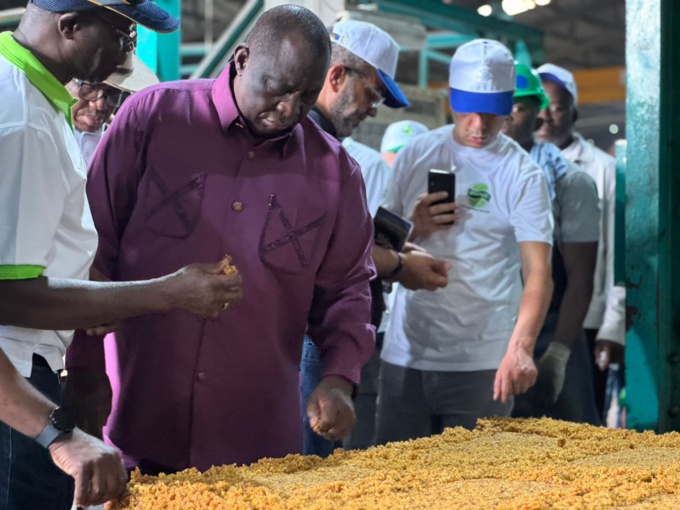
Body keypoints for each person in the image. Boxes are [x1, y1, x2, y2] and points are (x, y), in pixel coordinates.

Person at [65, 4, 376, 475]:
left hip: (256, 448)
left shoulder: (335, 174)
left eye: (307, 96)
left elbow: (348, 291)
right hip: (133, 425)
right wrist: (85, 368)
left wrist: (337, 380)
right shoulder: (154, 118)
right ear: (242, 58)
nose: (289, 108)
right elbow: (92, 247)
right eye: (278, 87)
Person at [0, 1, 241, 509]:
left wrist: (103, 293)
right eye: (121, 35)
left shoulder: (31, 101)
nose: (125, 54)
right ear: (70, 26)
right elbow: (12, 298)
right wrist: (164, 292)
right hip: (15, 370)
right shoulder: (24, 123)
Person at [375, 39, 554, 444]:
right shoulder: (416, 154)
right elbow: (378, 246)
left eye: (492, 114)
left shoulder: (522, 174)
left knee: (475, 490)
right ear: (450, 99)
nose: (478, 125)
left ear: (509, 107)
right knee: (393, 487)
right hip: (407, 355)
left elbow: (538, 273)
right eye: (467, 110)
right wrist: (414, 226)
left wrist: (521, 349)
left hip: (483, 363)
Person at [299, 20, 450, 456]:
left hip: (321, 338)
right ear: (337, 75)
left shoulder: (323, 147)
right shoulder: (312, 149)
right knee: (308, 473)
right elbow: (326, 255)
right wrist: (401, 266)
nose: (373, 109)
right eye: (373, 94)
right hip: (312, 337)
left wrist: (400, 247)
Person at [501, 63, 601, 424]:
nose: (508, 115)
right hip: (491, 332)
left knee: (572, 437)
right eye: (502, 103)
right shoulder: (473, 173)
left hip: (550, 330)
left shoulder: (570, 183)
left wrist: (558, 355)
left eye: (521, 106)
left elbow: (579, 276)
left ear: (537, 113)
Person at [535, 63, 625, 416]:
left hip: (587, 322)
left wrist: (612, 325)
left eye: (556, 108)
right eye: (538, 107)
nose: (545, 117)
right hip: (530, 316)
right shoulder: (516, 162)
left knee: (580, 418)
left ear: (574, 113)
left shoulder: (602, 168)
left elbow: (617, 249)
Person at [66, 53, 159, 164]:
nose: (100, 105)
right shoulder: (47, 131)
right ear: (66, 82)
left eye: (113, 94)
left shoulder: (124, 146)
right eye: (89, 89)